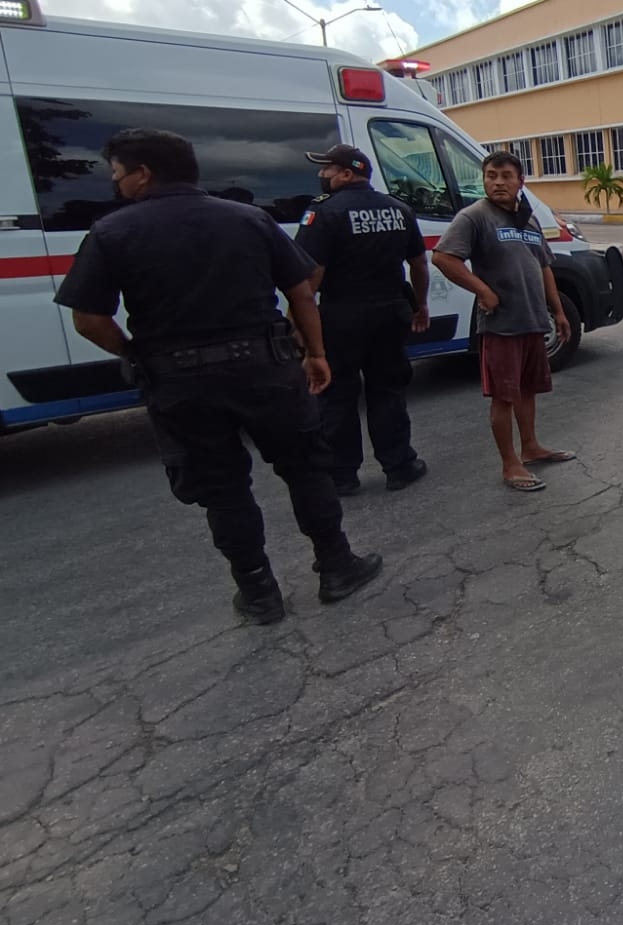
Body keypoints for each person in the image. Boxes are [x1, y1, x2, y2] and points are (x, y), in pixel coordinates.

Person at [53, 129, 382, 626]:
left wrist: (134, 353)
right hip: (265, 367)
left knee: (223, 488)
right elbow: (300, 292)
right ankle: (337, 565)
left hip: (180, 381)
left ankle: (259, 593)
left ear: (144, 173)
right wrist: (315, 353)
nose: (116, 184)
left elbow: (88, 319)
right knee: (304, 466)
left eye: (119, 174)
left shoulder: (112, 232)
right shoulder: (249, 218)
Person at [432, 151, 574, 492]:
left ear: (520, 181)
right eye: (491, 175)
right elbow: (443, 257)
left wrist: (558, 311)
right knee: (503, 396)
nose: (498, 181)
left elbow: (543, 268)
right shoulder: (474, 217)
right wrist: (483, 291)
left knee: (527, 390)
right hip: (500, 324)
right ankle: (510, 464)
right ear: (483, 180)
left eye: (506, 175)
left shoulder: (529, 220)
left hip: (532, 320)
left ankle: (531, 447)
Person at [295, 144, 431, 497]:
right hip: (390, 313)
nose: (322, 175)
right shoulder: (399, 209)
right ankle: (399, 466)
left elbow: (310, 280)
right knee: (388, 390)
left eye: (328, 169)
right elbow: (418, 264)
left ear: (347, 173)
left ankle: (342, 475)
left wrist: (302, 331)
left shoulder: (323, 213)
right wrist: (421, 305)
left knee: (337, 395)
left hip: (342, 316)